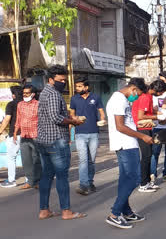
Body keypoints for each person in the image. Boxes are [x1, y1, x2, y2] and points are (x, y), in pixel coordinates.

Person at [36, 69, 86, 220]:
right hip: (56, 141)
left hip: (44, 140)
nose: (63, 83)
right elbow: (55, 118)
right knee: (62, 176)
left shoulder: (44, 92)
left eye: (64, 80)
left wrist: (69, 117)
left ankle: (44, 210)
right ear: (51, 79)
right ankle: (66, 211)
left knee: (46, 176)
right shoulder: (53, 94)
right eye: (60, 80)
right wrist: (73, 121)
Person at [105, 77, 154, 229]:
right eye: (138, 94)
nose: (137, 97)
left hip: (127, 143)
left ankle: (126, 211)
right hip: (125, 144)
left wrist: (140, 125)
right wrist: (142, 136)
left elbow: (126, 123)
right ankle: (115, 213)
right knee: (134, 178)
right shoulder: (118, 100)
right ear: (133, 88)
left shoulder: (122, 100)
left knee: (125, 179)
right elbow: (120, 126)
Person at [69, 78, 106, 195]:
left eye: (80, 86)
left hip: (94, 133)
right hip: (80, 133)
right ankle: (83, 185)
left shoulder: (95, 97)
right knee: (83, 160)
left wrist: (103, 119)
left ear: (86, 87)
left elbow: (101, 111)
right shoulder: (74, 98)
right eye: (77, 86)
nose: (77, 88)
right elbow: (72, 114)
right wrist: (74, 122)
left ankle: (90, 182)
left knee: (91, 161)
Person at [132, 78, 166, 192]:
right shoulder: (145, 97)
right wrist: (157, 117)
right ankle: (143, 184)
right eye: (162, 92)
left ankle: (147, 182)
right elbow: (141, 116)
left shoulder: (149, 96)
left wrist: (158, 113)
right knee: (146, 156)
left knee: (149, 154)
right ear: (157, 90)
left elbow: (149, 112)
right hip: (142, 128)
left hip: (147, 127)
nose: (162, 94)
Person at [14, 84, 42, 190]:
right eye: (23, 93)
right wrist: (15, 133)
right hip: (24, 135)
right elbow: (18, 119)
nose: (24, 95)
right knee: (26, 160)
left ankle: (38, 181)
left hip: (35, 135)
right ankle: (30, 181)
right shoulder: (20, 104)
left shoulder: (38, 104)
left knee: (37, 159)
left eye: (27, 93)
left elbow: (42, 120)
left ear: (33, 94)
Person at [0, 86, 22, 187]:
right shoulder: (25, 104)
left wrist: (0, 131)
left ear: (13, 95)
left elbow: (7, 119)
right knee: (28, 158)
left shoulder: (11, 104)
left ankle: (11, 180)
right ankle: (30, 180)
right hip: (27, 134)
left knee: (11, 157)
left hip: (14, 134)